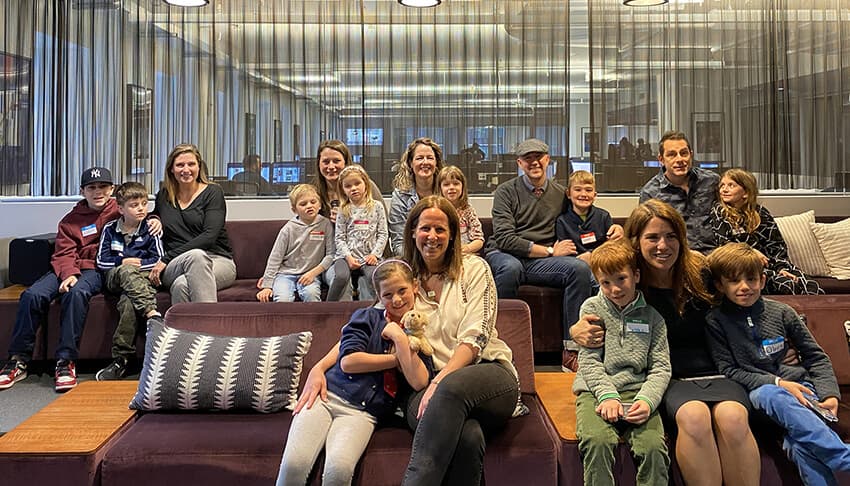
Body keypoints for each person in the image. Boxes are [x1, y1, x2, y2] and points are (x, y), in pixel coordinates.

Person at [295, 196, 520, 486]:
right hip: (423, 384)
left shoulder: (475, 269)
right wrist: (320, 366)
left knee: (450, 392)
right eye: (425, 228)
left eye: (441, 229)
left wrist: (441, 383)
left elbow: (477, 336)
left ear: (452, 234)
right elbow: (369, 326)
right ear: (413, 232)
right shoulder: (405, 282)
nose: (432, 237)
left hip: (487, 376)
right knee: (468, 436)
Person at [570, 199, 761, 486]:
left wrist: (779, 343)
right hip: (667, 377)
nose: (663, 245)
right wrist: (575, 331)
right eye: (653, 237)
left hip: (717, 369)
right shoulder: (627, 284)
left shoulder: (701, 272)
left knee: (733, 418)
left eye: (671, 236)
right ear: (635, 242)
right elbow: (598, 314)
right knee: (695, 418)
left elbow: (747, 297)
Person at [275, 259, 433, 486]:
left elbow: (419, 382)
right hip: (327, 397)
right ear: (379, 296)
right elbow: (349, 361)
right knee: (294, 465)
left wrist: (399, 338)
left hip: (363, 413)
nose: (397, 299)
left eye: (402, 291)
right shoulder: (367, 317)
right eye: (388, 295)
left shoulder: (418, 336)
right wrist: (396, 360)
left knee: (338, 471)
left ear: (415, 287)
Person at [705, 242, 849, 485]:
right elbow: (728, 370)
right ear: (720, 285)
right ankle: (842, 458)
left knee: (800, 445)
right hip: (760, 395)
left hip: (802, 390)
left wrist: (830, 395)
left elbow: (815, 356)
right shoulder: (716, 321)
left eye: (751, 279)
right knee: (771, 394)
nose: (744, 287)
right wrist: (779, 382)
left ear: (762, 280)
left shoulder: (783, 312)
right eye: (734, 281)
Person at [0, 167, 119, 392]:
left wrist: (154, 221)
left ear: (112, 189)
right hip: (67, 267)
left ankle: (65, 360)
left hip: (95, 269)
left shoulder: (120, 212)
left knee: (77, 294)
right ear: (83, 191)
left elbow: (140, 217)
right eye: (92, 187)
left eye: (103, 186)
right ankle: (18, 360)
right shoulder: (70, 220)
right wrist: (69, 273)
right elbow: (63, 252)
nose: (98, 192)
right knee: (32, 295)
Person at [484, 138, 594, 372]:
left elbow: (582, 218)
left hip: (540, 263)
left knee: (580, 270)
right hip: (505, 254)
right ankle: (502, 350)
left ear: (548, 160)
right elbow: (504, 238)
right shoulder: (505, 192)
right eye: (527, 159)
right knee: (511, 269)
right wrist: (551, 251)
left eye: (539, 157)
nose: (534, 162)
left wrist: (610, 230)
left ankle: (571, 350)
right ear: (520, 163)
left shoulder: (560, 194)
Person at [573, 240, 671, 486]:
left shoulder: (653, 318)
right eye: (606, 282)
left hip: (638, 391)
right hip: (595, 392)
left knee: (653, 448)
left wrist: (647, 401)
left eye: (621, 279)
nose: (615, 289)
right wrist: (607, 395)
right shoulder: (592, 308)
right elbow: (589, 361)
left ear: (636, 275)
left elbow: (661, 368)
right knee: (597, 441)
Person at [710, 168, 822, 295]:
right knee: (787, 286)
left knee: (811, 286)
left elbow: (777, 246)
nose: (724, 190)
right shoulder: (719, 211)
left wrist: (782, 268)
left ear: (746, 192)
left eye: (731, 185)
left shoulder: (760, 213)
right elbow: (724, 244)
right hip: (744, 267)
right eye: (722, 186)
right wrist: (750, 252)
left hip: (771, 265)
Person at [148, 143, 236, 304]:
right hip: (176, 264)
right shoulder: (164, 196)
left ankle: (184, 330)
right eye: (180, 165)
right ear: (171, 169)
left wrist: (166, 258)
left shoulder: (213, 193)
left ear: (199, 167)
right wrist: (154, 218)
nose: (186, 169)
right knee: (195, 257)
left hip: (217, 260)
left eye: (191, 164)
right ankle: (210, 329)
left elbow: (209, 236)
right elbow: (152, 214)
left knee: (182, 285)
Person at [94, 181, 164, 380]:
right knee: (125, 270)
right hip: (114, 277)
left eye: (143, 203)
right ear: (120, 208)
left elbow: (158, 259)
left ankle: (121, 359)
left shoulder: (150, 227)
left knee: (128, 302)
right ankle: (152, 313)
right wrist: (122, 261)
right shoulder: (110, 229)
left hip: (141, 278)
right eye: (134, 205)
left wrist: (138, 265)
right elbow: (101, 260)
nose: (141, 208)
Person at [311, 140, 385, 301]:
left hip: (367, 254)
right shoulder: (314, 193)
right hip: (332, 257)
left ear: (346, 162)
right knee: (340, 281)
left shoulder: (368, 190)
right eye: (325, 161)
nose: (331, 166)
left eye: (336, 161)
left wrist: (376, 255)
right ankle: (337, 322)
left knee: (369, 281)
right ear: (318, 164)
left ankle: (368, 321)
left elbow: (381, 228)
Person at [639, 130, 719, 253]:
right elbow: (648, 234)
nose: (680, 159)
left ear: (691, 155)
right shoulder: (651, 193)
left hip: (717, 253)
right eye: (672, 155)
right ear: (661, 159)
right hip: (678, 256)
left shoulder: (711, 181)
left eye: (684, 153)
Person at [256, 184, 334, 303]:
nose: (309, 206)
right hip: (285, 275)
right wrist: (267, 285)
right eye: (303, 204)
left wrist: (313, 273)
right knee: (283, 299)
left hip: (310, 274)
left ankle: (311, 322)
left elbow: (330, 255)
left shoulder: (326, 225)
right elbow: (275, 258)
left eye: (313, 202)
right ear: (294, 209)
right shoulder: (288, 229)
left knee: (312, 295)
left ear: (320, 205)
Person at [328, 165, 388, 302]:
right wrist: (348, 257)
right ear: (343, 190)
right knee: (341, 277)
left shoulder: (377, 207)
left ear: (365, 184)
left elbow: (383, 233)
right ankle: (328, 309)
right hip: (346, 257)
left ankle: (377, 309)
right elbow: (340, 238)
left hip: (369, 257)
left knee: (374, 276)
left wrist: (374, 254)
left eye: (357, 183)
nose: (353, 188)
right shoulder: (343, 210)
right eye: (348, 186)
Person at [388, 137, 445, 255]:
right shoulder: (400, 196)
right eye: (419, 158)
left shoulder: (446, 191)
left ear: (436, 163)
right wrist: (421, 259)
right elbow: (398, 242)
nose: (425, 162)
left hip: (443, 256)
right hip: (411, 258)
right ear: (410, 163)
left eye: (430, 158)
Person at [556, 170, 624, 264]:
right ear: (568, 194)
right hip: (575, 266)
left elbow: (611, 247)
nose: (583, 194)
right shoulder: (562, 221)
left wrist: (592, 256)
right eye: (578, 190)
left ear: (595, 195)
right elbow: (565, 251)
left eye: (588, 190)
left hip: (601, 263)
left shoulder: (603, 217)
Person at [437, 165, 484, 254]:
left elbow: (479, 240)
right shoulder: (436, 211)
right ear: (440, 188)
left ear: (462, 187)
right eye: (446, 184)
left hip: (465, 254)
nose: (451, 187)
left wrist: (467, 248)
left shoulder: (468, 211)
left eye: (456, 183)